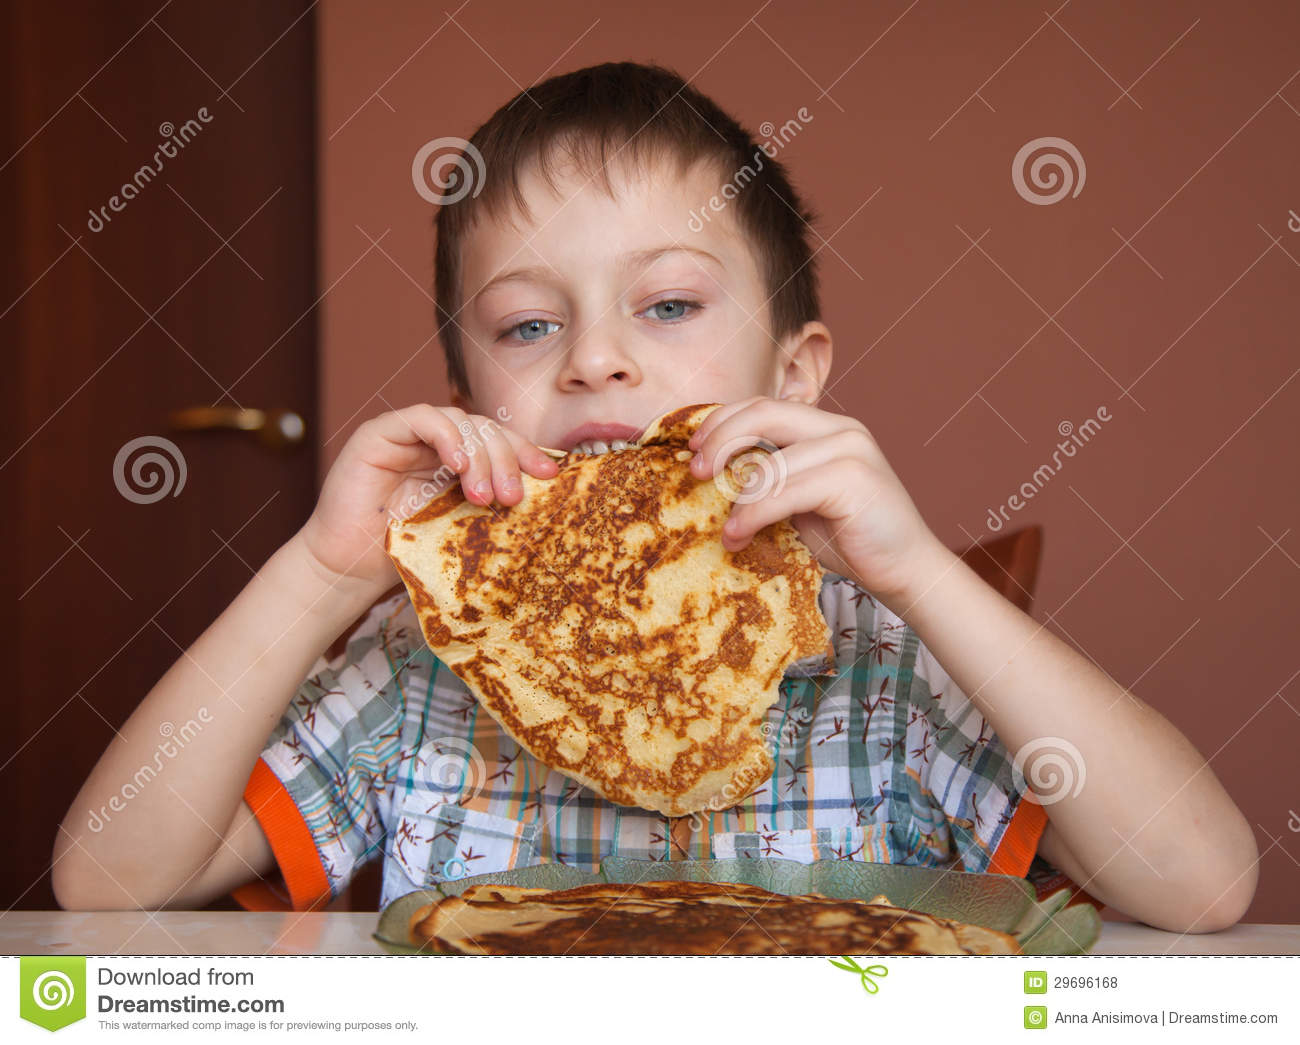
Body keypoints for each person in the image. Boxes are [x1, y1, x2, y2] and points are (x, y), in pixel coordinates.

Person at [55, 62, 1257, 933]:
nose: (593, 360)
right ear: (468, 393)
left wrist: (923, 577)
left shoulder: (882, 668)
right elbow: (106, 884)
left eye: (668, 304)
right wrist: (319, 576)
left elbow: (1200, 884)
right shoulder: (419, 674)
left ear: (793, 376)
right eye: (528, 325)